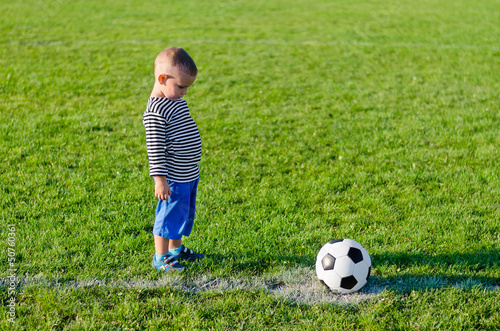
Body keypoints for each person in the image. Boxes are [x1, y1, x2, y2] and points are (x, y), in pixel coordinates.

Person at [143, 47, 204, 272]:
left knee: (181, 215)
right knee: (168, 217)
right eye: (181, 86)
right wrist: (160, 180)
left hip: (188, 173)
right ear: (162, 78)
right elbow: (155, 149)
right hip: (173, 178)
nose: (185, 92)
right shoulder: (155, 113)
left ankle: (176, 250)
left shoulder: (173, 99)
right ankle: (161, 257)